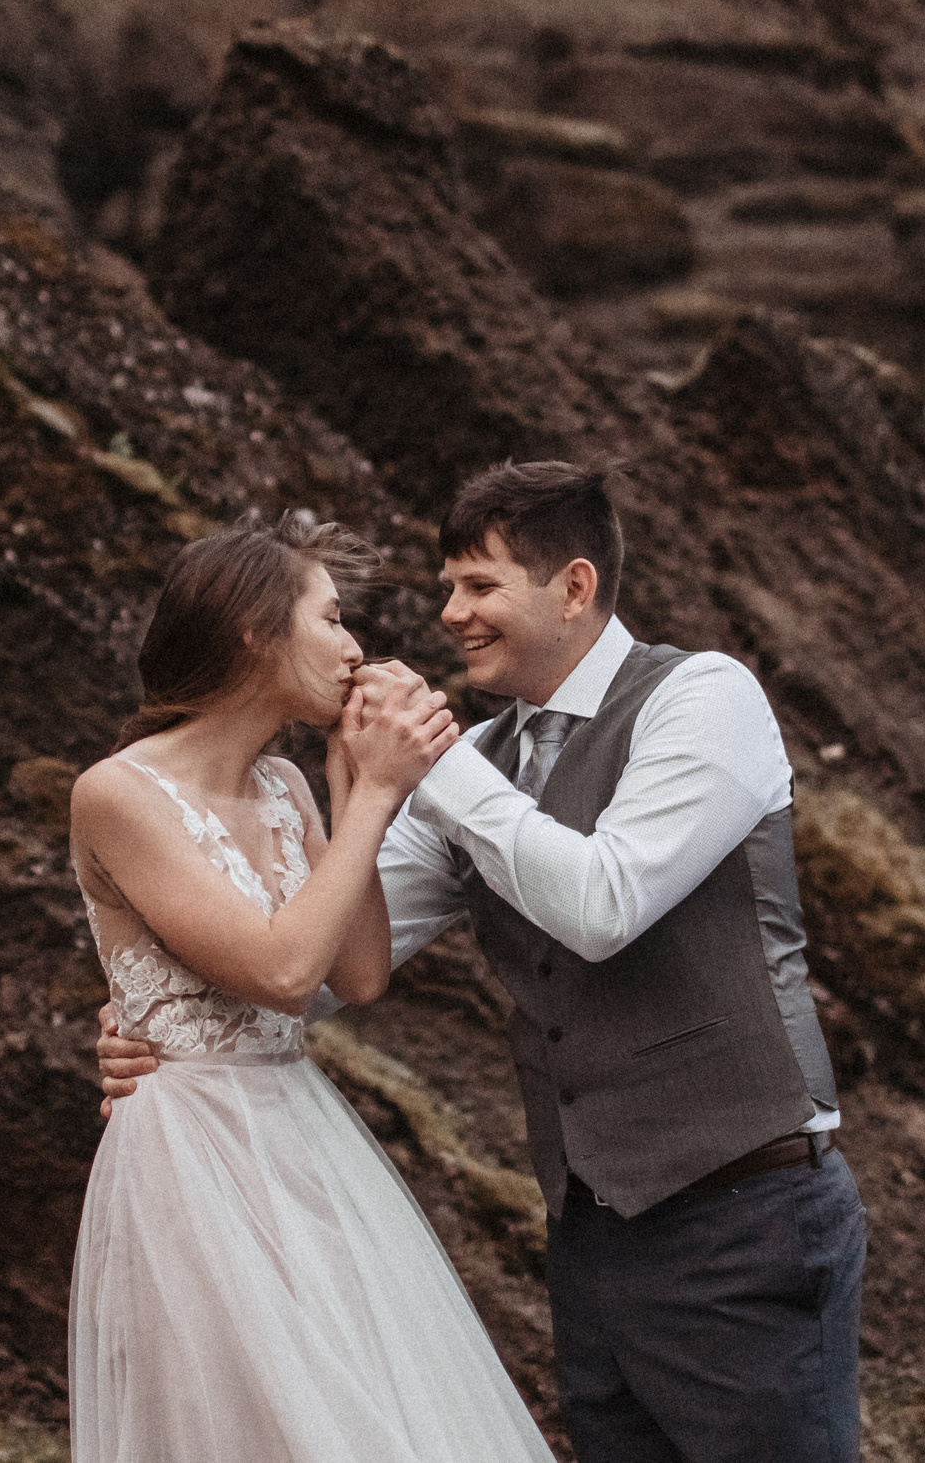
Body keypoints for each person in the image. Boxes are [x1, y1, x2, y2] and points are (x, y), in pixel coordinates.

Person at [100, 462, 867, 1463]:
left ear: (576, 587)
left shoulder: (703, 699)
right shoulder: (482, 769)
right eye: (447, 586)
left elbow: (605, 902)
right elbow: (319, 963)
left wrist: (433, 762)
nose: (449, 614)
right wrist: (153, 1023)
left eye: (478, 585)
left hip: (746, 1215)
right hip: (593, 1237)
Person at [65, 511, 559, 1463]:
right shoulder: (116, 793)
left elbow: (359, 972)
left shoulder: (288, 786)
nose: (353, 645)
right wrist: (377, 790)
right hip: (188, 1152)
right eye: (331, 618)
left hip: (298, 1130)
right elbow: (283, 970)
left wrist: (344, 786)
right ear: (257, 632)